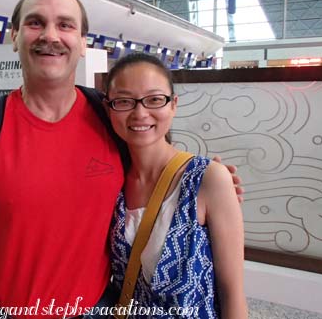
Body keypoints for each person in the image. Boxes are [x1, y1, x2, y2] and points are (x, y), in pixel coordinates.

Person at [0, 0, 243, 319]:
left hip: (92, 310)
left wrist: (210, 181)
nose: (50, 35)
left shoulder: (108, 120)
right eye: (36, 23)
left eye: (65, 25)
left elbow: (156, 162)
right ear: (15, 36)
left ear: (82, 43)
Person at [106, 53, 247, 318]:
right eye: (124, 101)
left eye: (155, 99)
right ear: (108, 108)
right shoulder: (111, 182)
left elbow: (233, 293)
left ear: (173, 105)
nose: (140, 113)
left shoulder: (207, 179)